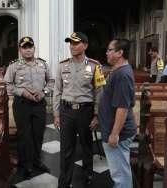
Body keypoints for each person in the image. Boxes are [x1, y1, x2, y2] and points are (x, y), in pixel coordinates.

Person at [53, 32, 105, 188]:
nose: (72, 46)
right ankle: (64, 181)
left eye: (76, 43)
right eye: (71, 43)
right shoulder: (62, 65)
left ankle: (87, 174)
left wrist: (96, 115)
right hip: (66, 111)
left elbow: (99, 92)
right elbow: (57, 90)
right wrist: (56, 114)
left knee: (86, 145)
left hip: (86, 112)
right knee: (66, 148)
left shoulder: (96, 66)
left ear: (85, 45)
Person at [3, 36, 51, 179]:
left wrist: (44, 92)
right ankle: (25, 165)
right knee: (24, 136)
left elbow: (51, 82)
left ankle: (36, 161)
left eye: (30, 47)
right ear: (20, 50)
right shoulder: (14, 66)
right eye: (25, 47)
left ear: (34, 48)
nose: (28, 50)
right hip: (22, 104)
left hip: (39, 104)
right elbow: (7, 85)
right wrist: (22, 92)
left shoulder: (43, 64)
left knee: (38, 134)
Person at [99, 38, 137, 188]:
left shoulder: (122, 75)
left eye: (110, 50)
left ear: (120, 53)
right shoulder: (118, 71)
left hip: (118, 133)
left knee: (120, 174)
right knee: (119, 171)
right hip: (114, 129)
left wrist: (115, 133)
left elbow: (122, 107)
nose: (106, 52)